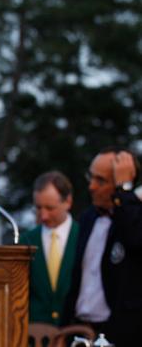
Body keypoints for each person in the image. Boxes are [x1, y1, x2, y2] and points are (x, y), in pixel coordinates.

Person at [64, 148, 142, 346]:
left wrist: (124, 190)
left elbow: (135, 239)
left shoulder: (134, 218)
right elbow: (76, 280)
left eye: (101, 181)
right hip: (80, 331)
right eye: (91, 177)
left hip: (116, 335)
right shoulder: (88, 217)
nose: (91, 186)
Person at [21, 171, 78, 325]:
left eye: (50, 208)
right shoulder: (25, 241)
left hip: (74, 334)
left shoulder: (84, 237)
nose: (43, 215)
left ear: (68, 202)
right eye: (38, 208)